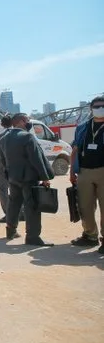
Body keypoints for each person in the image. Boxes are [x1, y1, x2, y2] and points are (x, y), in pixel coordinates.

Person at [0, 113, 55, 246]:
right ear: (22, 121)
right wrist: (45, 177)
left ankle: (11, 231)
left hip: (12, 177)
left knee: (14, 203)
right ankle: (32, 237)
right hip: (29, 178)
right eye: (28, 120)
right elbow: (36, 159)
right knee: (32, 206)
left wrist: (8, 174)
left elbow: (2, 159)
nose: (29, 122)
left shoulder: (3, 137)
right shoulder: (27, 136)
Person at [70, 95, 104, 253]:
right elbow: (75, 150)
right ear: (91, 109)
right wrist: (72, 171)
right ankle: (90, 235)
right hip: (84, 171)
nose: (99, 109)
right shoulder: (82, 127)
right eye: (96, 106)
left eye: (102, 106)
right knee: (85, 206)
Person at [0, 115, 14, 222]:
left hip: (4, 167)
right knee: (16, 190)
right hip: (17, 167)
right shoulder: (19, 133)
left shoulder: (2, 135)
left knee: (2, 190)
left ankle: (9, 214)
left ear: (2, 124)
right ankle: (21, 212)